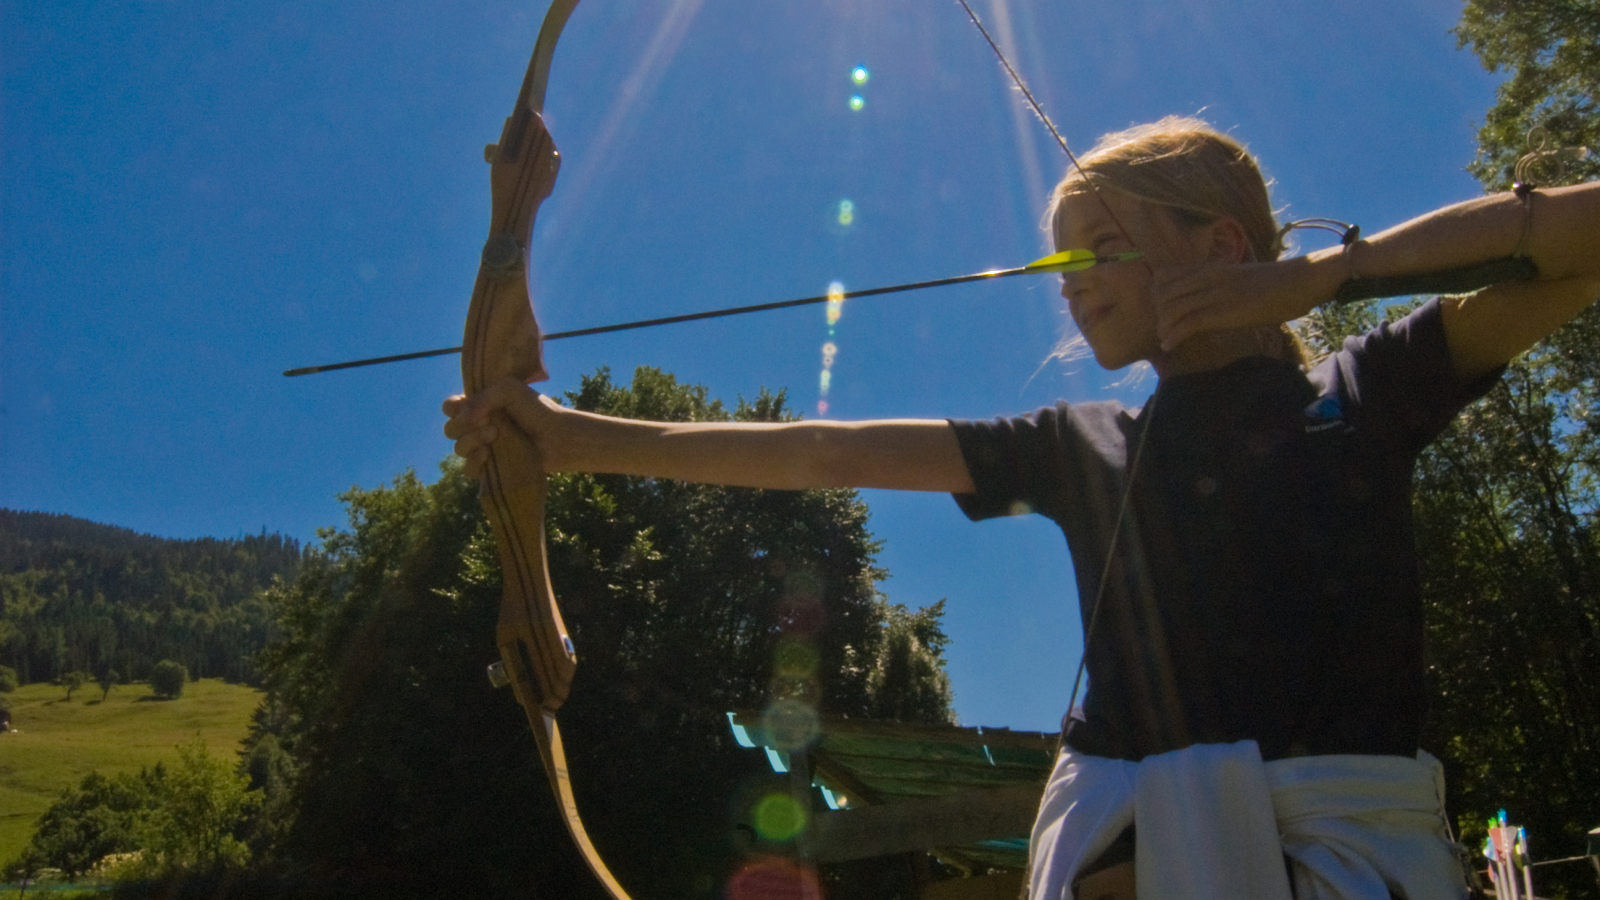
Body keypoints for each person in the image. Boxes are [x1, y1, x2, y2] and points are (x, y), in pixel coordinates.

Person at [445, 117, 1600, 899]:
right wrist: (569, 437)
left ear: (1224, 245)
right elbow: (818, 452)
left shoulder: (1360, 395)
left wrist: (1329, 275)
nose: (1076, 284)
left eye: (1101, 248)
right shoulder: (1081, 445)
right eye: (1060, 266)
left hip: (1344, 855)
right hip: (1120, 849)